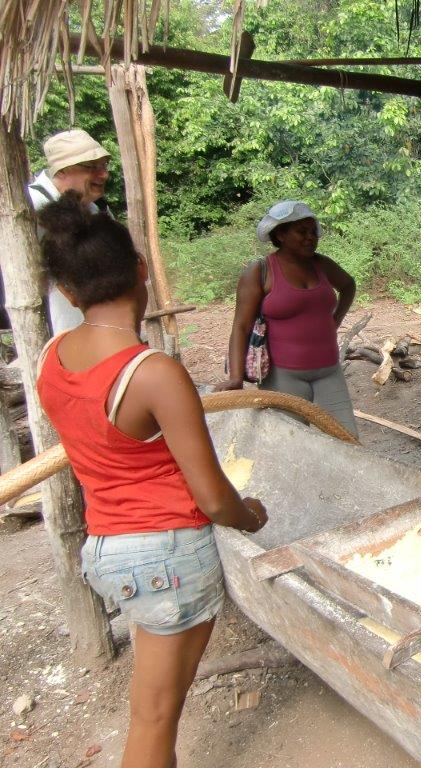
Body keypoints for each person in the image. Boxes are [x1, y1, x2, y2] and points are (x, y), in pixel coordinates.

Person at [34, 193, 268, 768]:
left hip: (108, 549)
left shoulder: (50, 356)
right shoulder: (152, 372)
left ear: (65, 291)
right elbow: (213, 496)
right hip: (166, 555)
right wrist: (251, 516)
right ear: (142, 269)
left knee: (153, 709)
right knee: (155, 720)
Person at [218, 201, 359, 437]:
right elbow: (241, 327)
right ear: (281, 234)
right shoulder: (260, 271)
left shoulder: (322, 265)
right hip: (282, 377)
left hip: (328, 371)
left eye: (313, 232)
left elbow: (348, 285)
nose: (310, 238)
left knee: (347, 441)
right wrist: (235, 378)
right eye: (301, 232)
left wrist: (335, 322)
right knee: (292, 444)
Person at [27, 129, 114, 335]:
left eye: (103, 166)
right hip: (59, 334)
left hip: (101, 328)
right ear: (61, 170)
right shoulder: (30, 208)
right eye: (91, 167)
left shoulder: (96, 207)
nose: (103, 174)